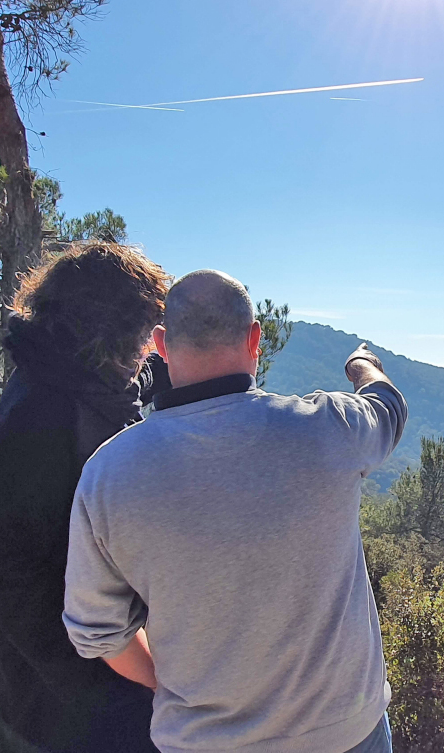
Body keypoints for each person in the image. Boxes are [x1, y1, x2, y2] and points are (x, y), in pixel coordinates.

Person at [62, 269, 408, 753]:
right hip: (348, 733)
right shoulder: (329, 429)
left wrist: (180, 687)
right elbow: (388, 406)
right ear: (255, 340)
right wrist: (362, 365)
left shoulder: (108, 474)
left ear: (161, 344)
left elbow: (97, 634)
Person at [0, 243, 171, 753]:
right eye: (149, 332)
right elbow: (10, 575)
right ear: (118, 332)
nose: (152, 346)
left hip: (100, 677)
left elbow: (132, 387)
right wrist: (114, 679)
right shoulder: (41, 415)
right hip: (64, 712)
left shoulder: (74, 373)